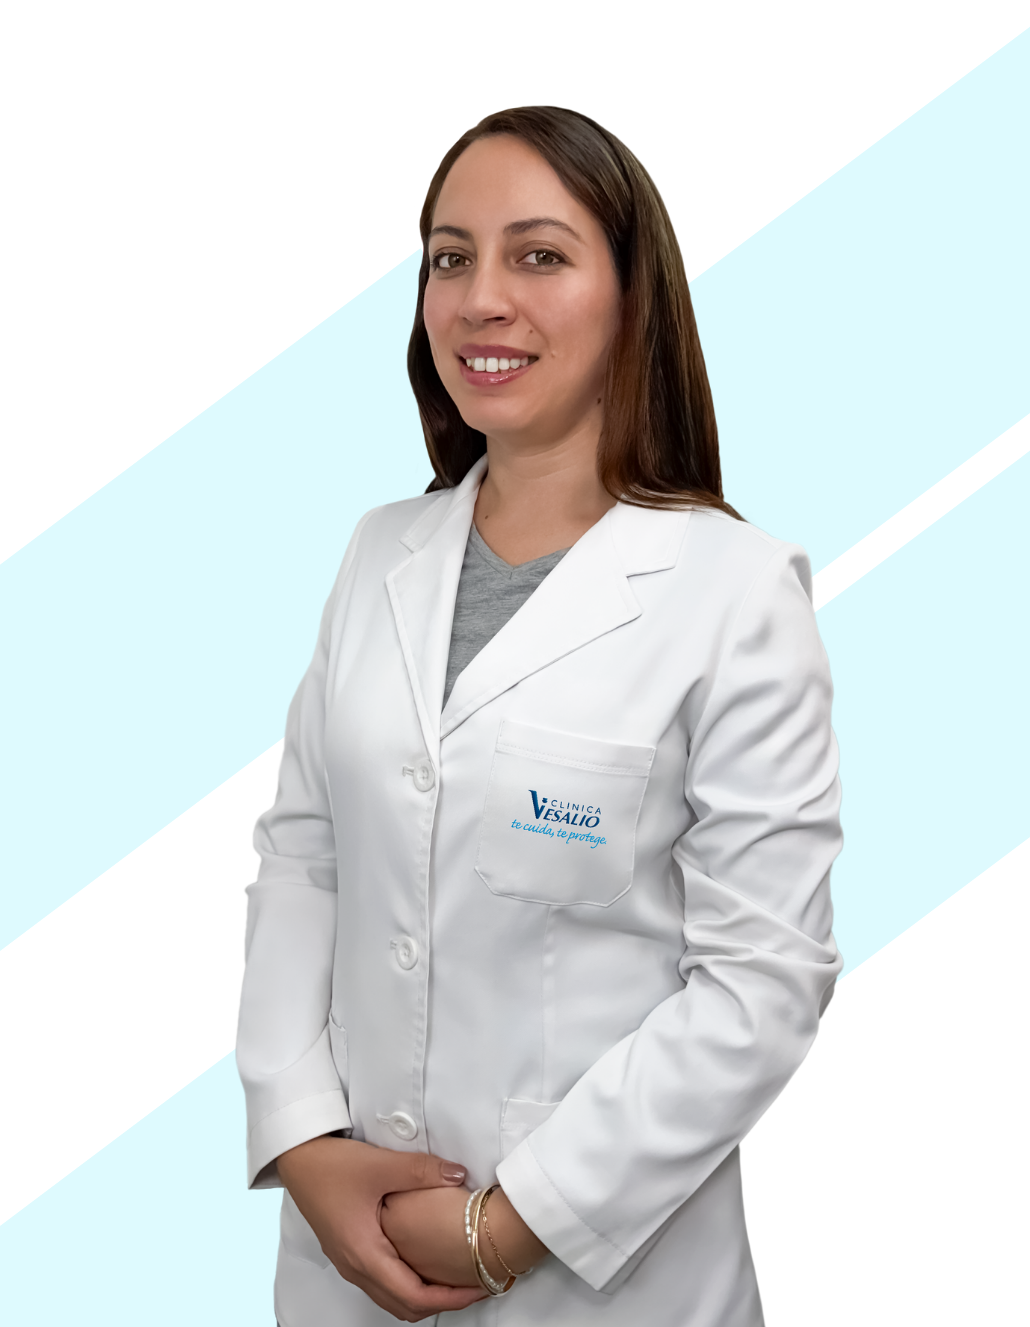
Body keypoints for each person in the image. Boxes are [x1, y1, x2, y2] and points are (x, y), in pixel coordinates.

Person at [235, 105, 843, 1327]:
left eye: (540, 255)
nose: (480, 300)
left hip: (603, 1281)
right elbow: (305, 859)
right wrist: (302, 1140)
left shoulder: (733, 593)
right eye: (449, 258)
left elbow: (761, 982)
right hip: (341, 1264)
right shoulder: (379, 552)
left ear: (632, 298)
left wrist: (507, 1227)